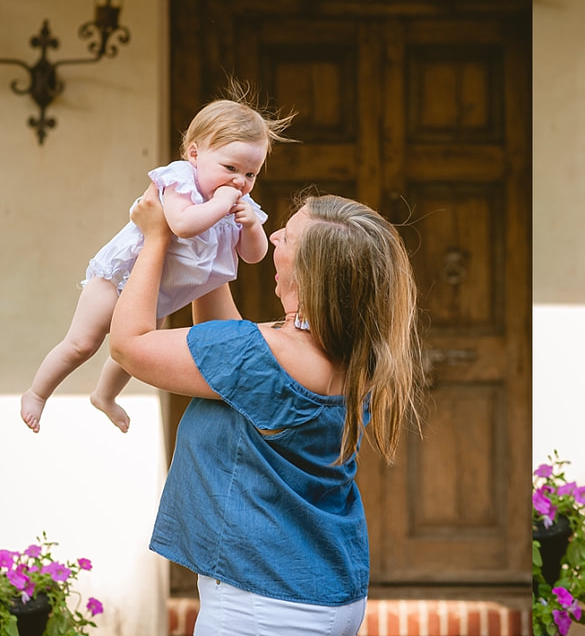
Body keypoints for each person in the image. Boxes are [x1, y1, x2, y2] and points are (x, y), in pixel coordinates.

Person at [109, 184, 424, 635]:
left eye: (288, 238)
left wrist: (157, 237)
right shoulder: (358, 354)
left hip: (263, 605)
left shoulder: (263, 354)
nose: (274, 236)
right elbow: (223, 346)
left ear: (310, 273)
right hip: (321, 588)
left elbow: (128, 346)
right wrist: (209, 244)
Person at [20, 88, 292, 433]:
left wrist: (251, 225)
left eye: (251, 174)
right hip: (119, 282)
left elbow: (253, 257)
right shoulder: (180, 182)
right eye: (230, 167)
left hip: (158, 294)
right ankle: (37, 393)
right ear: (195, 154)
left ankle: (104, 396)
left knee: (136, 351)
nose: (239, 181)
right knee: (82, 343)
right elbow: (182, 224)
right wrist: (221, 205)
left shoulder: (238, 202)